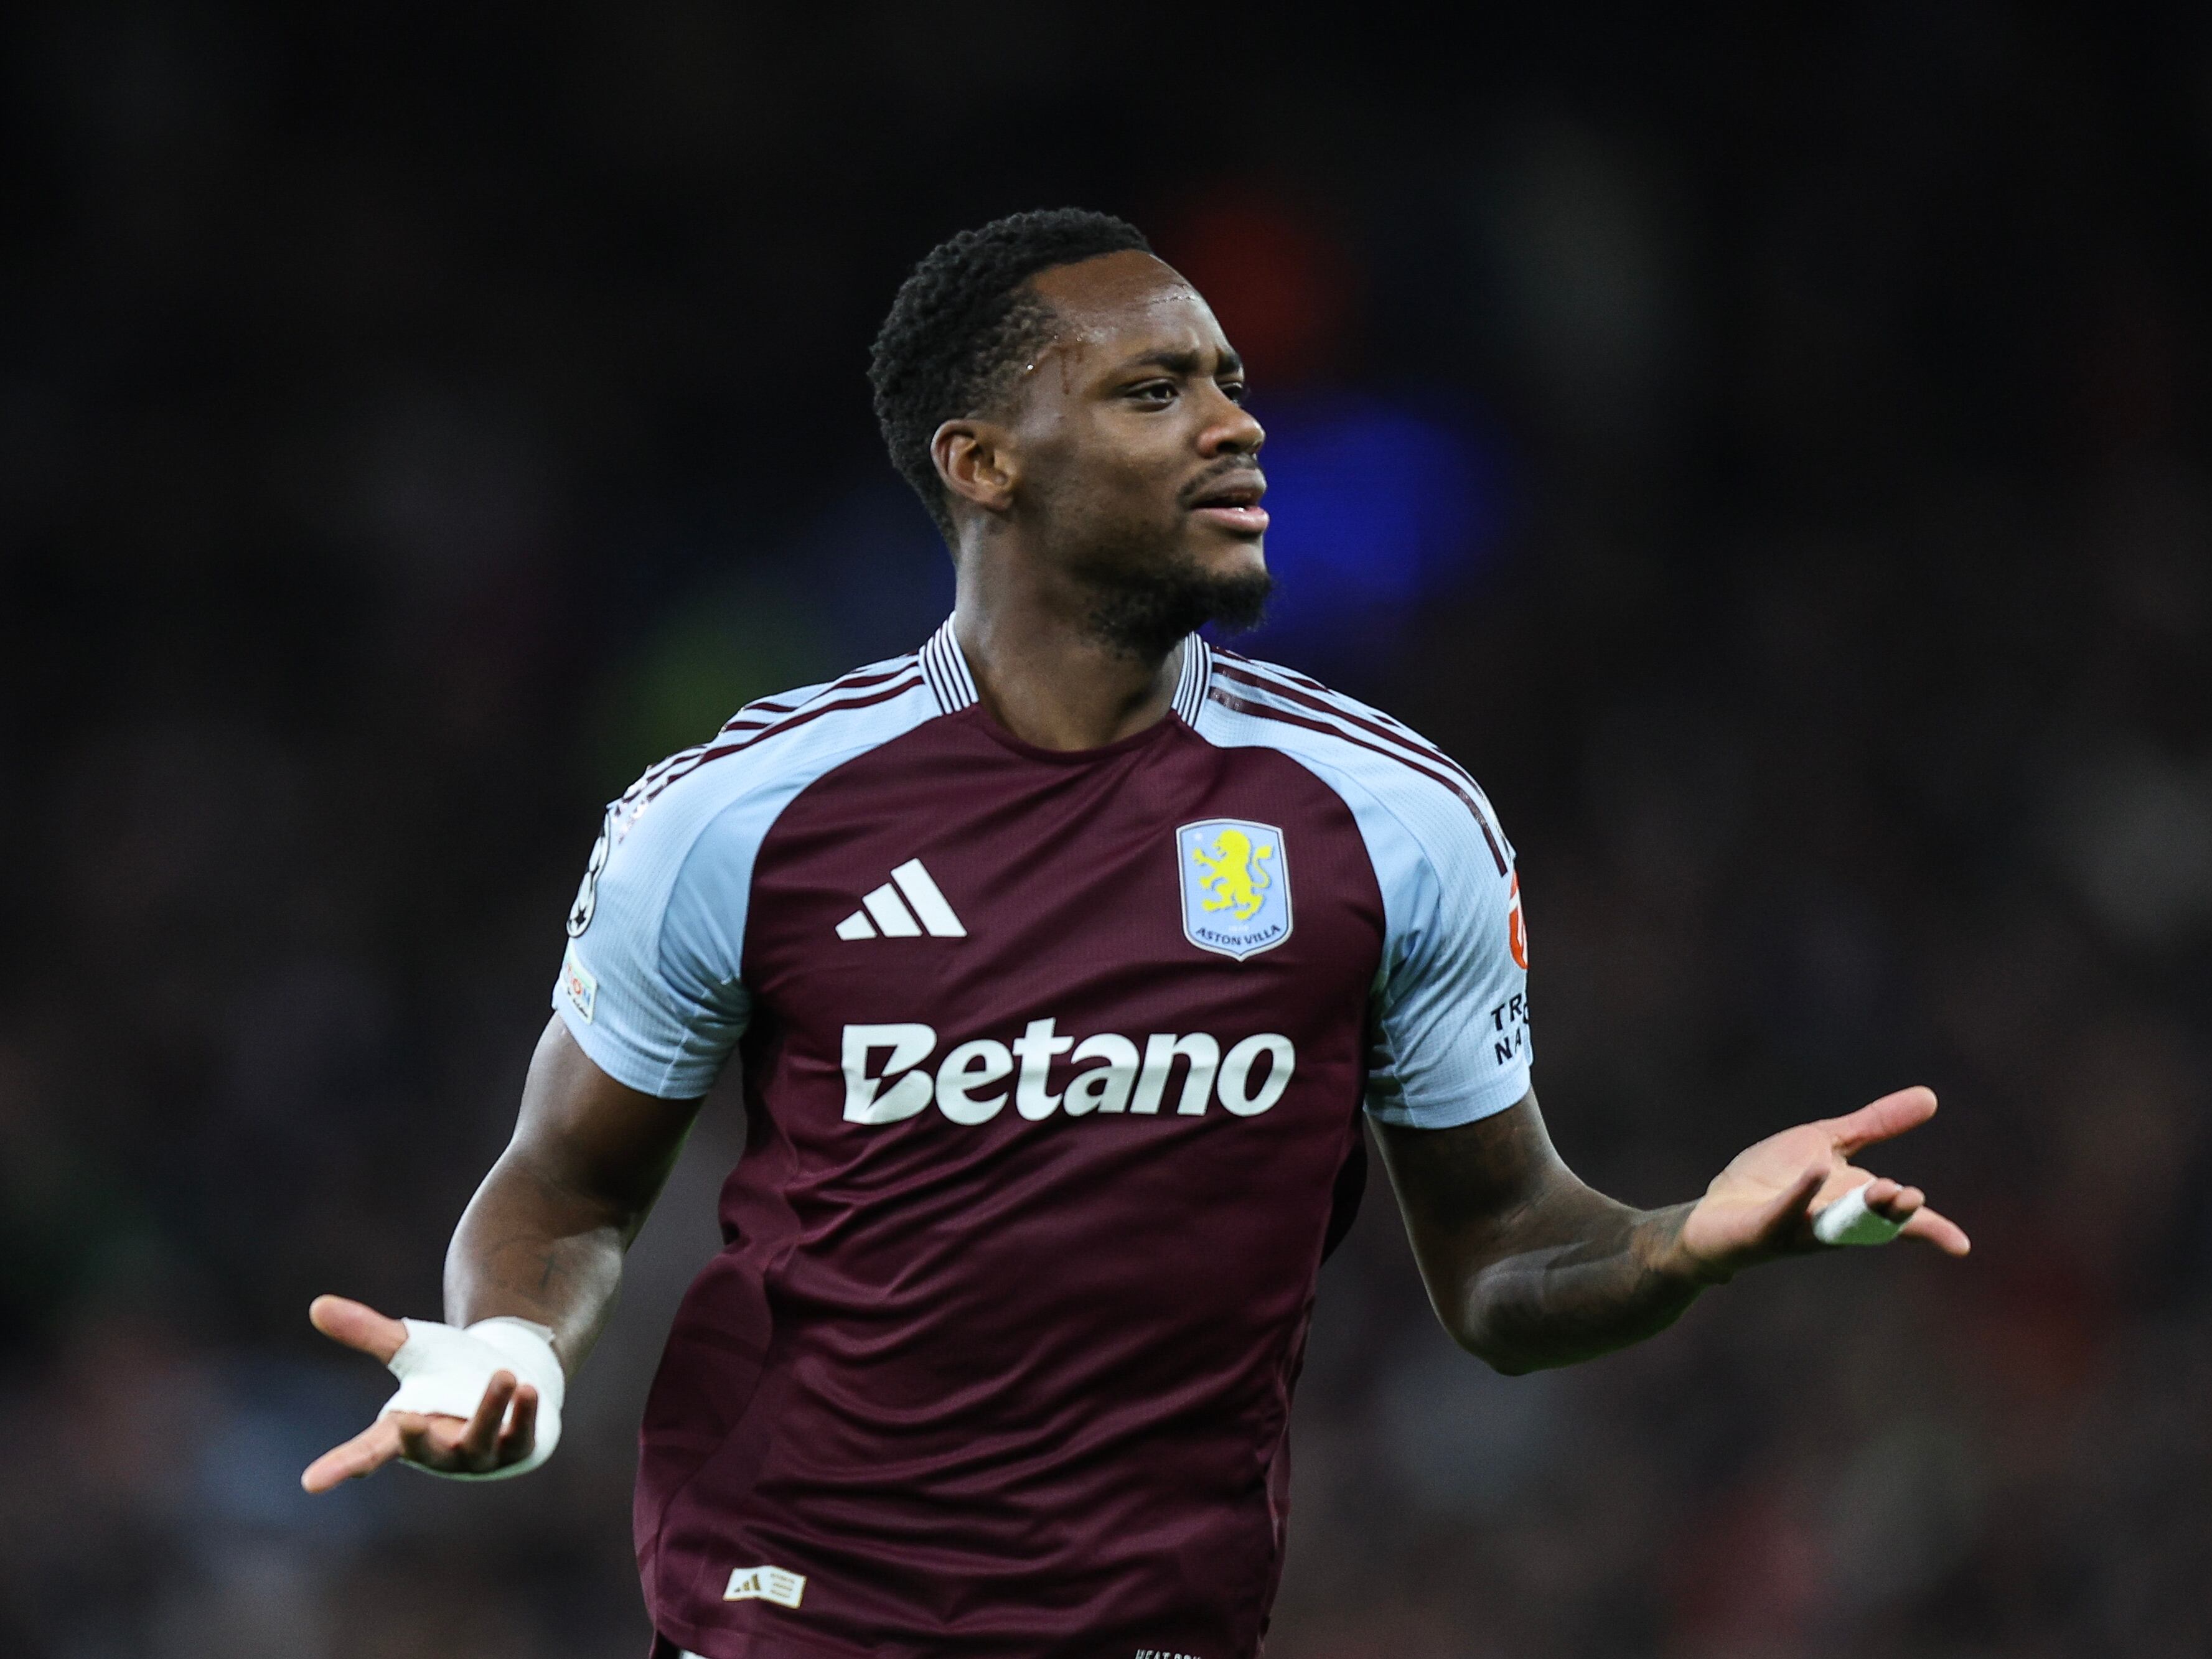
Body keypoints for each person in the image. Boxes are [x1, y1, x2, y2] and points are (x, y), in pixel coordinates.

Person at [301, 208, 1970, 1659]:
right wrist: (508, 1343)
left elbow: (1503, 1260)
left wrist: (1684, 1241)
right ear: (983, 459)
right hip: (781, 1619)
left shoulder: (1392, 821)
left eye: (1233, 382)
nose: (1235, 426)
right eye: (1153, 389)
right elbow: (567, 1184)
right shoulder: (739, 812)